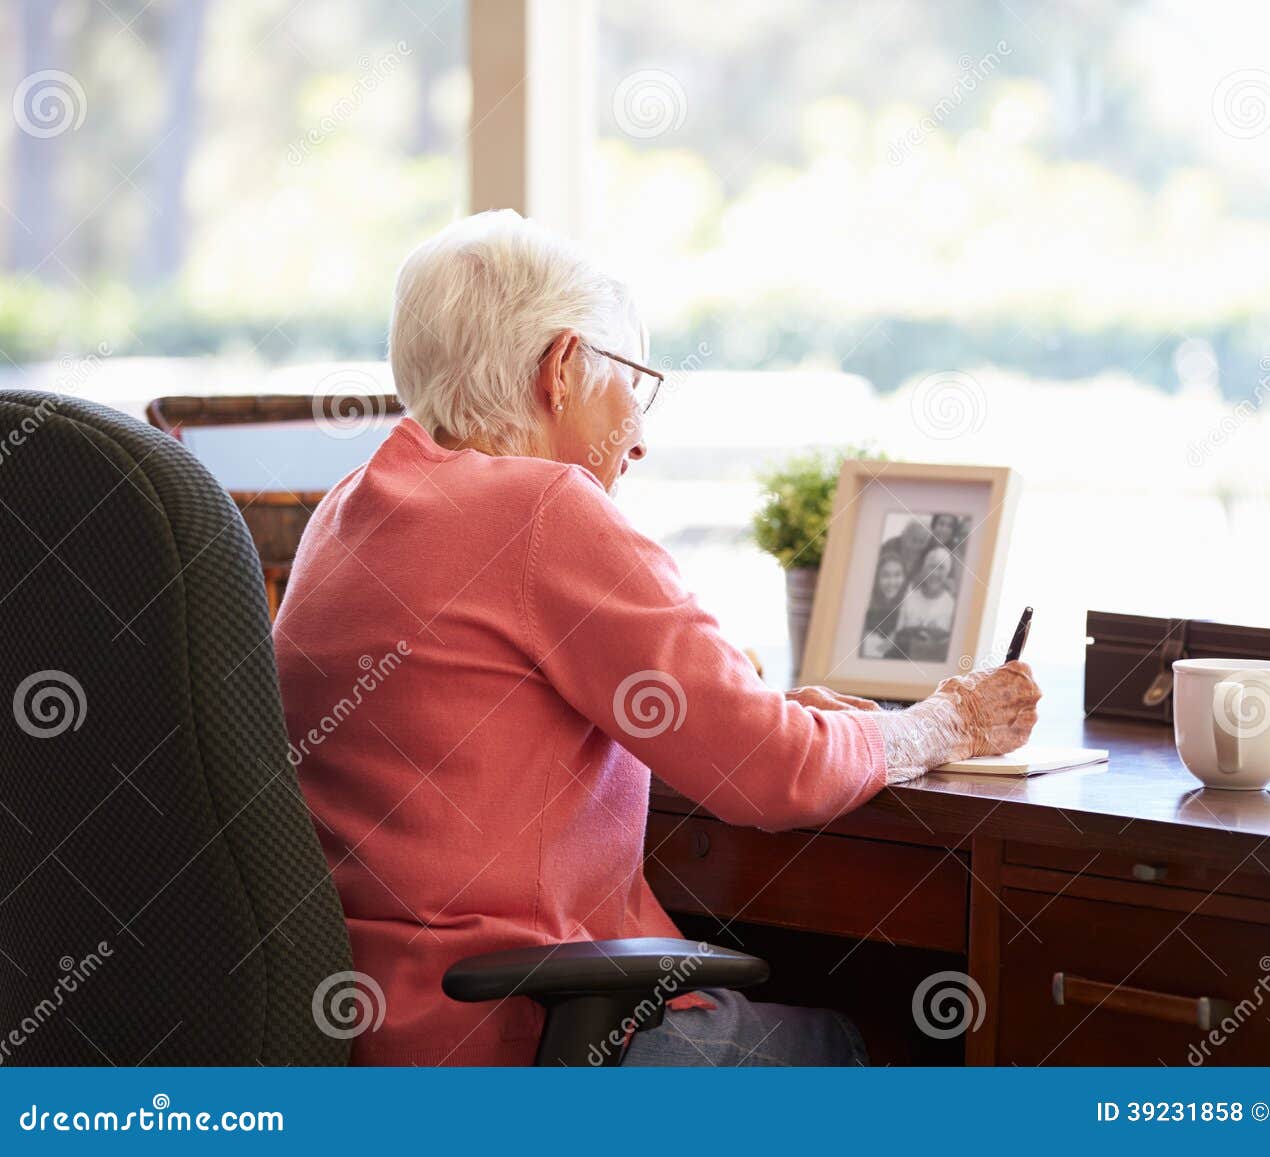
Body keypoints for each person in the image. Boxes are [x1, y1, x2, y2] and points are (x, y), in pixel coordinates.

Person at [272, 210, 1040, 1067]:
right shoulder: (543, 510)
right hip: (513, 1037)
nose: (639, 436)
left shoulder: (346, 510)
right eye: (632, 383)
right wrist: (944, 723)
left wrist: (770, 711)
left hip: (364, 1030)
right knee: (892, 1038)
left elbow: (487, 710)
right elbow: (773, 773)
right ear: (562, 369)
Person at [894, 547, 959, 661]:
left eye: (941, 568)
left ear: (947, 573)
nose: (935, 573)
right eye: (931, 567)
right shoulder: (909, 599)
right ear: (924, 570)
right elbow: (898, 636)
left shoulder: (952, 605)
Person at [861, 551, 910, 659]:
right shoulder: (865, 605)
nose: (892, 582)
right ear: (876, 578)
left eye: (898, 575)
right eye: (885, 575)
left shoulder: (908, 606)